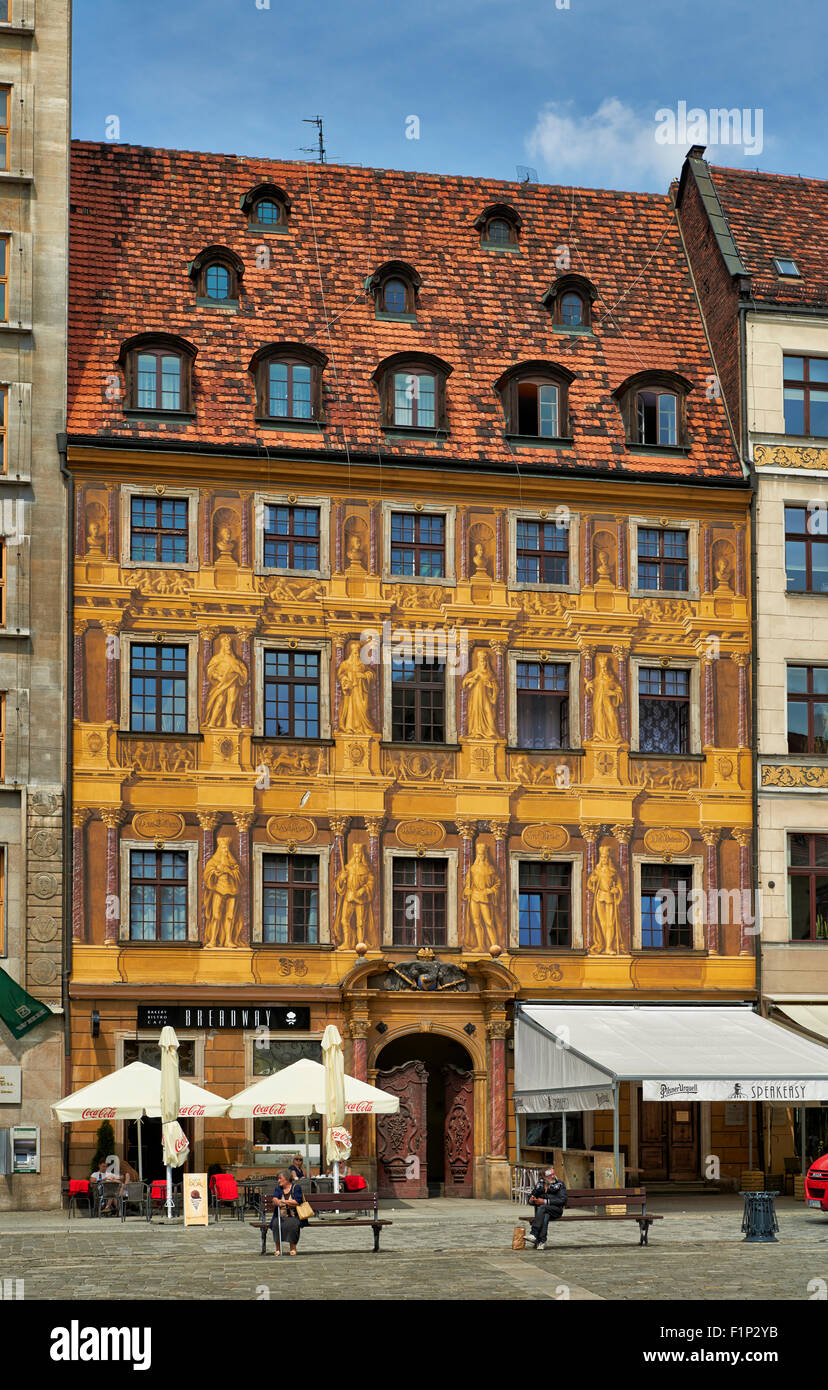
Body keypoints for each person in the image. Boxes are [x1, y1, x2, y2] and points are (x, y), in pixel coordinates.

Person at [526, 1167, 568, 1251]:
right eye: (550, 1175)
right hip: (544, 1212)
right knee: (545, 1216)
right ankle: (542, 1242)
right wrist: (532, 1199)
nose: (553, 1176)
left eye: (553, 1174)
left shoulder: (559, 1184)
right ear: (544, 1177)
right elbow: (531, 1197)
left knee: (543, 1207)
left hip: (556, 1210)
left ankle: (534, 1234)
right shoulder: (540, 1185)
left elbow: (563, 1200)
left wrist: (545, 1201)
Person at [270, 1170, 304, 1256]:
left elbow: (297, 1201)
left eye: (280, 1178)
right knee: (276, 1224)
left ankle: (293, 1248)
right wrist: (276, 1201)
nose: (278, 1181)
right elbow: (275, 1198)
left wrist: (284, 1201)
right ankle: (278, 1249)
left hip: (294, 1216)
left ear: (287, 1179)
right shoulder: (278, 1189)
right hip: (280, 1215)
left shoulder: (296, 1188)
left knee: (293, 1224)